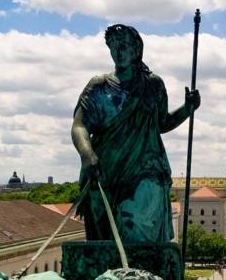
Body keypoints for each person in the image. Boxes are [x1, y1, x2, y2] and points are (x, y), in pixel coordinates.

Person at [72, 24, 200, 243]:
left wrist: (187, 110)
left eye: (123, 46)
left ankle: (144, 273)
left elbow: (162, 123)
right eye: (113, 47)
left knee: (136, 222)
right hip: (104, 167)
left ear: (135, 50)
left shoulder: (152, 85)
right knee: (102, 235)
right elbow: (79, 126)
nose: (118, 52)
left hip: (145, 166)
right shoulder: (98, 86)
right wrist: (87, 154)